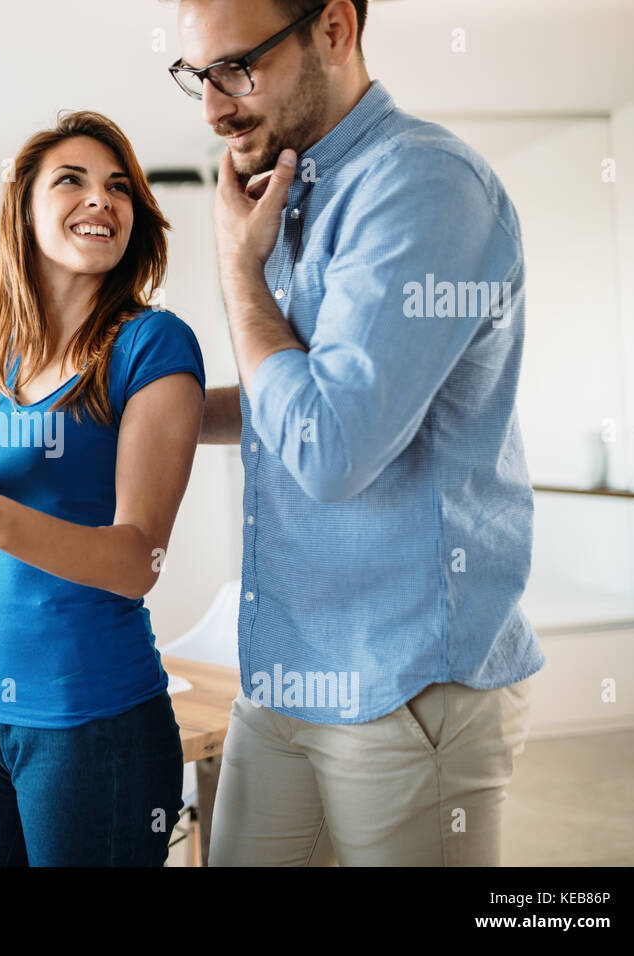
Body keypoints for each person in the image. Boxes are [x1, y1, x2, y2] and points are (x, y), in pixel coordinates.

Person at [169, 0, 544, 865]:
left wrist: (236, 270)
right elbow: (288, 400)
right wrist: (124, 421)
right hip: (289, 672)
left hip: (406, 685)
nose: (214, 107)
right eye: (199, 76)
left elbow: (328, 447)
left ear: (334, 29)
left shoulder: (423, 184)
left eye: (237, 68)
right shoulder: (299, 191)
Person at [0, 111, 207, 866]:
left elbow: (137, 561)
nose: (101, 200)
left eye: (118, 187)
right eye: (72, 180)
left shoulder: (153, 344)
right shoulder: (2, 363)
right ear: (24, 210)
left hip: (94, 724)